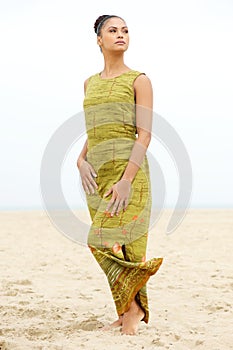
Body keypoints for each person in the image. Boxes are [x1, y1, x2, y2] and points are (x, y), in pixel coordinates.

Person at [77, 14, 163, 335]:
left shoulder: (139, 80)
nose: (121, 35)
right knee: (115, 246)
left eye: (125, 30)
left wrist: (127, 180)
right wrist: (80, 159)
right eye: (112, 30)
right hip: (97, 176)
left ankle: (136, 310)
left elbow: (144, 134)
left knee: (109, 241)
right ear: (99, 39)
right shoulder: (90, 83)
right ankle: (128, 310)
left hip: (130, 174)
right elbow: (97, 125)